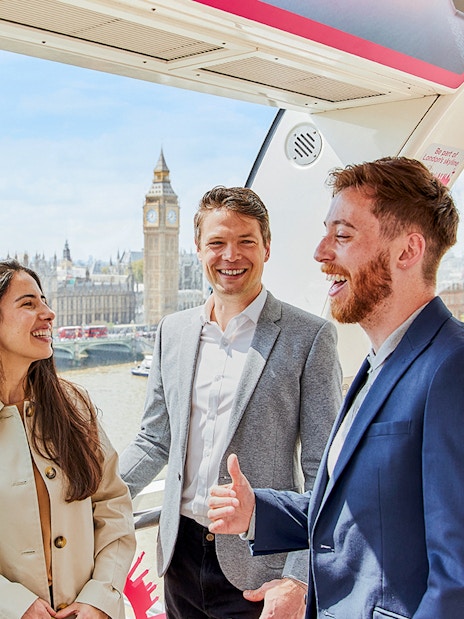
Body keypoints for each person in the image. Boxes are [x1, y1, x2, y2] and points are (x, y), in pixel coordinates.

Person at [208, 157, 464, 618]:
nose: (321, 252)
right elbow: (358, 516)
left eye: (342, 236)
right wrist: (256, 512)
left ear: (407, 252)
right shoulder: (375, 364)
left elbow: (458, 578)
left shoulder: (453, 367)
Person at [120, 186, 342, 618]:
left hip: (262, 567)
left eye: (245, 242)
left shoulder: (309, 337)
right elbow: (153, 440)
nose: (231, 256)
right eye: (217, 243)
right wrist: (93, 496)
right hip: (180, 557)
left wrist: (298, 576)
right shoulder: (174, 331)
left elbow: (324, 471)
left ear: (267, 248)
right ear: (199, 249)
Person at [0, 260, 136, 619]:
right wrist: (13, 605)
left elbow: (112, 505)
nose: (49, 313)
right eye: (28, 304)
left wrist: (100, 599)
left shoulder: (74, 405)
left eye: (45, 301)